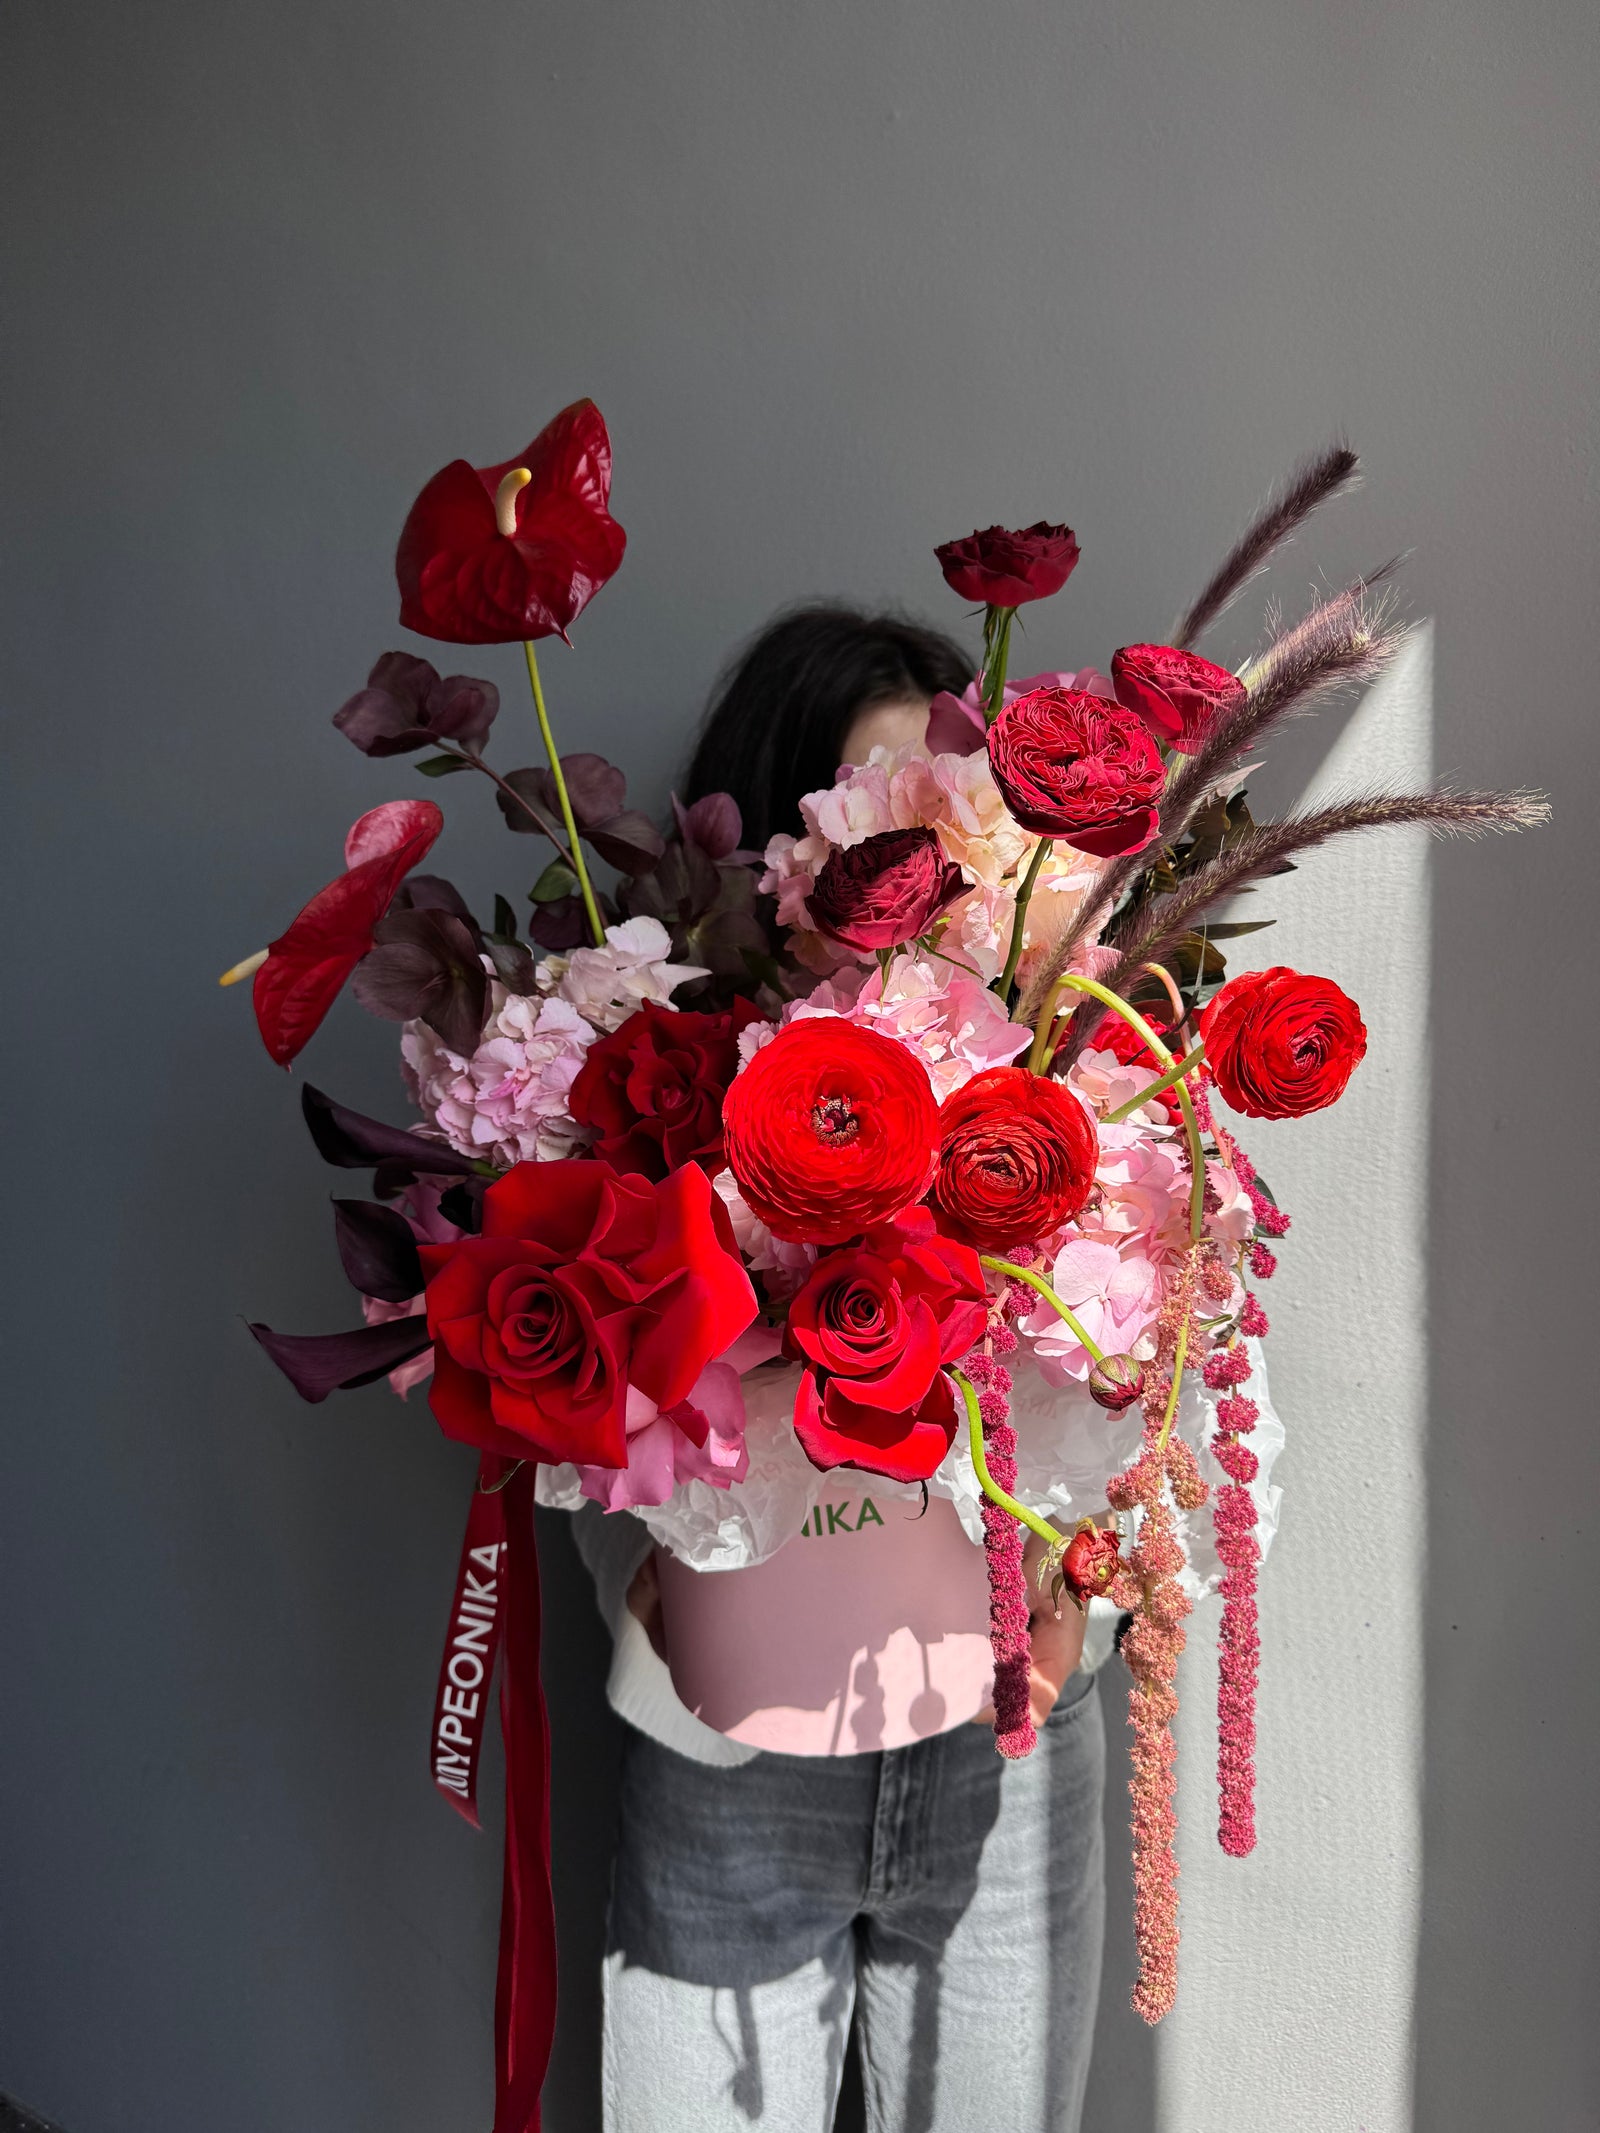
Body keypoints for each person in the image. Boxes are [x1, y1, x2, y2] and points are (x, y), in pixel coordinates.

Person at [569, 605, 1111, 2133]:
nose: (905, 886)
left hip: (1006, 1751)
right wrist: (645, 1571)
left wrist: (1085, 1568)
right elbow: (583, 1408)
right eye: (859, 832)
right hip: (728, 1756)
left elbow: (1140, 1349)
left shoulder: (1064, 1079)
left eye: (941, 832)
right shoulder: (666, 1092)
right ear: (771, 858)